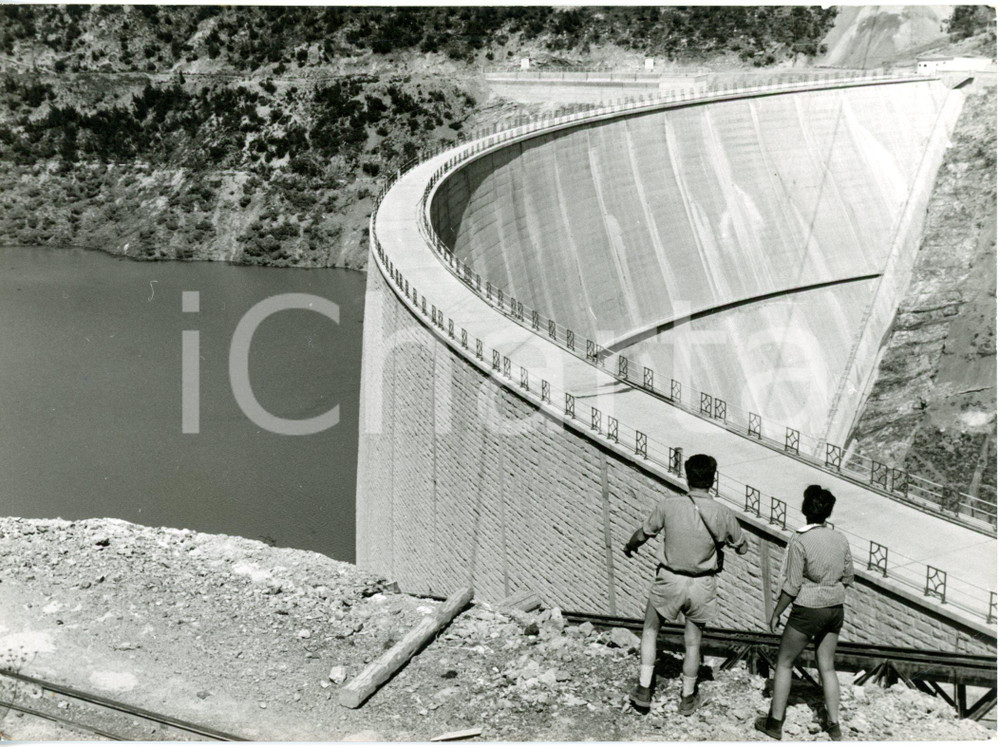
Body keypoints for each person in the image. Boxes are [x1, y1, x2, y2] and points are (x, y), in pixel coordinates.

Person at [623, 453, 749, 714]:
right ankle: (687, 697)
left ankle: (644, 689)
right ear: (713, 480)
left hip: (670, 579)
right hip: (702, 584)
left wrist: (629, 546)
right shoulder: (723, 512)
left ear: (687, 477)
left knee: (650, 630)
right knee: (692, 643)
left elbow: (643, 534)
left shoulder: (668, 505)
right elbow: (743, 548)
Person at [755, 485, 854, 741]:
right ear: (828, 512)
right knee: (827, 666)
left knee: (784, 662)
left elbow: (792, 585)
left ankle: (774, 723)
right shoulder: (840, 539)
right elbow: (848, 577)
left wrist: (777, 612)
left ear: (804, 509)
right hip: (835, 609)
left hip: (808, 609)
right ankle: (834, 725)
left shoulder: (800, 540)